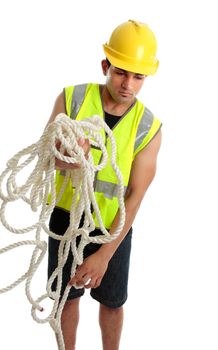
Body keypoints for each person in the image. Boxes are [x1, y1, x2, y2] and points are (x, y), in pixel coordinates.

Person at [47, 19, 162, 350]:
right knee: (66, 297)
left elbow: (136, 196)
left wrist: (105, 255)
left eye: (138, 76)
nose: (128, 84)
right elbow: (48, 157)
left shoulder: (148, 127)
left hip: (113, 227)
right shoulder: (72, 99)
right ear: (105, 65)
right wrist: (68, 158)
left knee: (112, 302)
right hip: (66, 221)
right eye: (120, 72)